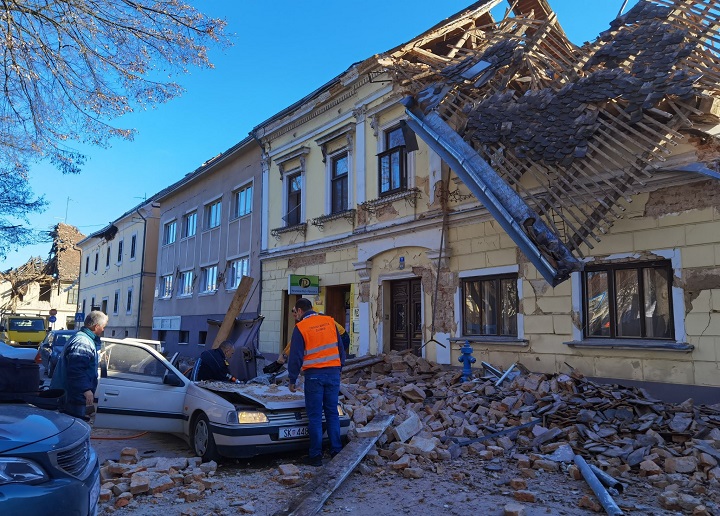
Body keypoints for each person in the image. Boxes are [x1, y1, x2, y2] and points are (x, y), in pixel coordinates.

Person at [287, 298, 345, 466]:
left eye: (295, 312)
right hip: (333, 373)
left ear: (299, 311)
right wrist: (339, 368)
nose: (295, 315)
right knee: (332, 413)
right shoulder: (329, 321)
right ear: (311, 308)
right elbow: (340, 348)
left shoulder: (301, 327)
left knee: (314, 417)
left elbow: (295, 356)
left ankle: (315, 456)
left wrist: (292, 379)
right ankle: (336, 451)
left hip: (314, 376)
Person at [51, 310, 107, 420]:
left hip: (72, 395)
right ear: (96, 327)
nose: (103, 329)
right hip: (72, 397)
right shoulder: (83, 342)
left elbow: (80, 364)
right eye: (103, 326)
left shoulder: (83, 338)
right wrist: (86, 390)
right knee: (73, 431)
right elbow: (76, 370)